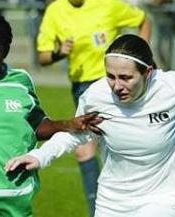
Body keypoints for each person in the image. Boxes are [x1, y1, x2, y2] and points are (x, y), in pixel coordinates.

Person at [5, 34, 175, 217]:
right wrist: (39, 156)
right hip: (113, 202)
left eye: (126, 77)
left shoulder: (174, 86)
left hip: (165, 201)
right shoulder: (97, 96)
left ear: (148, 73)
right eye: (110, 76)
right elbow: (76, 134)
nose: (116, 86)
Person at [0, 12, 102, 217]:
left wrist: (69, 124)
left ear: (5, 50)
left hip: (16, 205)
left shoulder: (20, 81)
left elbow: (35, 125)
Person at [36, 1, 151, 215]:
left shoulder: (108, 5)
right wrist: (60, 52)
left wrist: (141, 57)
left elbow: (143, 19)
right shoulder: (55, 10)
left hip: (117, 83)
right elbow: (42, 56)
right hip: (84, 89)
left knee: (125, 143)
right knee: (85, 151)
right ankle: (99, 211)